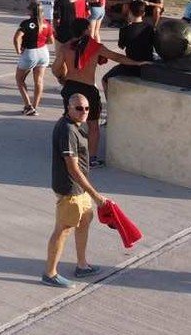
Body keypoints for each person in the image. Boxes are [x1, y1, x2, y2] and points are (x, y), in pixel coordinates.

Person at [42, 92, 110, 288]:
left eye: (87, 108)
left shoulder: (76, 126)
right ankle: (50, 273)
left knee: (84, 221)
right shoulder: (67, 130)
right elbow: (72, 167)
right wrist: (95, 195)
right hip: (70, 189)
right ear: (68, 108)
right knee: (63, 229)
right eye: (79, 108)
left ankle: (82, 265)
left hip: (80, 188)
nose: (84, 112)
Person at [51, 18, 141, 167]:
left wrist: (62, 78)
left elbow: (55, 69)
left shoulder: (65, 47)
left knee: (70, 122)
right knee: (93, 125)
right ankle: (91, 159)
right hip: (88, 89)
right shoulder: (95, 47)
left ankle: (68, 153)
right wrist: (138, 62)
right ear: (86, 30)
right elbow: (117, 57)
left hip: (70, 87)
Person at [14, 0, 54, 115]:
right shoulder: (46, 24)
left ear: (31, 11)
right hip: (43, 53)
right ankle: (35, 106)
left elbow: (17, 37)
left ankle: (28, 105)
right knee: (39, 81)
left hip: (29, 53)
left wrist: (18, 50)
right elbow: (51, 40)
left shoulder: (26, 23)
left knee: (20, 79)